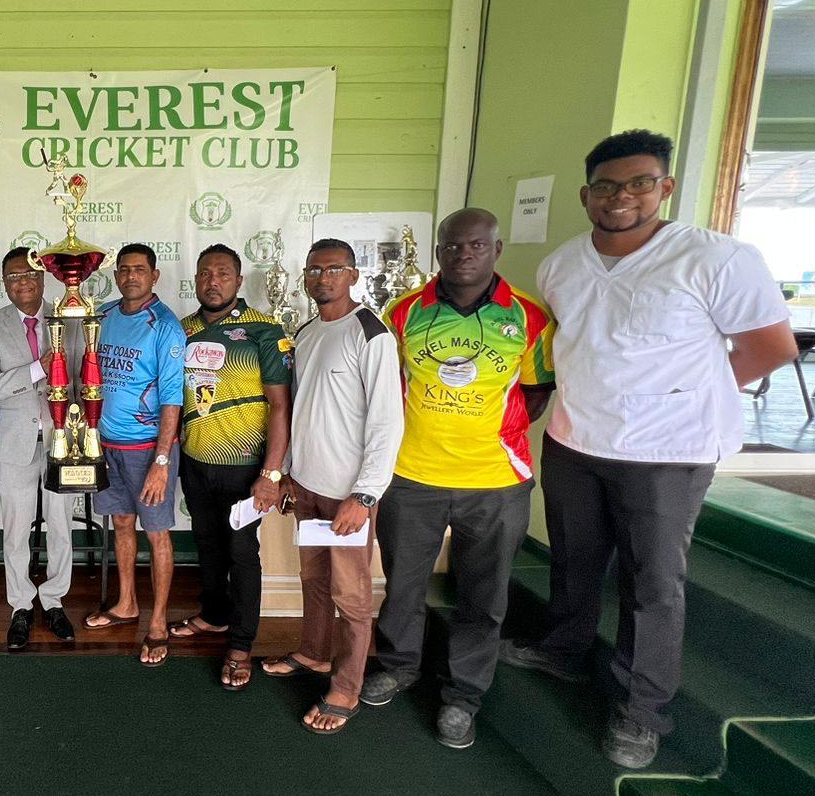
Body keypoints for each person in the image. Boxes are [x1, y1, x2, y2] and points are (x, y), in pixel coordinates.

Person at [500, 130, 797, 768]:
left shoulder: (715, 258)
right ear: (586, 195)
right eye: (606, 186)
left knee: (653, 581)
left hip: (669, 449)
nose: (621, 197)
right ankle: (565, 651)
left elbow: (770, 347)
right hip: (577, 439)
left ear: (664, 187)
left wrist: (686, 392)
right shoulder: (562, 264)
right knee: (574, 558)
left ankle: (642, 710)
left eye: (639, 183)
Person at [361, 208, 556, 750]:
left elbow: (536, 392)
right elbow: (386, 388)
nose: (462, 255)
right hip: (412, 476)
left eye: (475, 245)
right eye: (451, 246)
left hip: (495, 481)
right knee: (401, 585)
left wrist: (484, 433)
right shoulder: (404, 312)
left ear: (496, 250)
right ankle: (400, 667)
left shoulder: (530, 317)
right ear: (438, 251)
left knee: (483, 594)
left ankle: (463, 695)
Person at [263, 238, 402, 734]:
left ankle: (346, 687)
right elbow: (304, 410)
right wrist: (288, 475)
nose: (324, 278)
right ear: (305, 277)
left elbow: (387, 423)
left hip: (348, 496)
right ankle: (314, 653)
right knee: (314, 581)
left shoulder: (371, 334)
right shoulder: (305, 332)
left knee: (352, 595)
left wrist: (364, 496)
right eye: (315, 270)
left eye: (334, 269)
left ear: (352, 276)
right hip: (309, 489)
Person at [171, 243, 292, 691]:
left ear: (239, 281)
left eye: (223, 273)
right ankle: (214, 616)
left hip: (246, 467)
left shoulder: (264, 330)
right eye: (205, 273)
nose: (213, 281)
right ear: (196, 279)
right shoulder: (181, 330)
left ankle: (241, 644)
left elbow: (282, 408)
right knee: (207, 545)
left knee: (242, 555)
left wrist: (272, 473)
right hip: (196, 461)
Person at [77, 243, 186, 667]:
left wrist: (161, 462)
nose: (130, 277)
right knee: (122, 524)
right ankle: (126, 604)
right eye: (123, 270)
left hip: (148, 451)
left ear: (154, 276)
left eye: (139, 270)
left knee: (156, 534)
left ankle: (157, 622)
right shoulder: (102, 315)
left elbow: (173, 399)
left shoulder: (165, 327)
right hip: (107, 445)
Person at [0, 247, 79, 652]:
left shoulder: (70, 317)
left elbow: (82, 379)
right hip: (15, 443)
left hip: (62, 441)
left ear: (43, 279)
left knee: (61, 526)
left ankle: (53, 601)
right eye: (14, 275)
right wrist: (39, 368)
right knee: (15, 531)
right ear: (4, 282)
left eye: (31, 274)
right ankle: (21, 605)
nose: (23, 281)